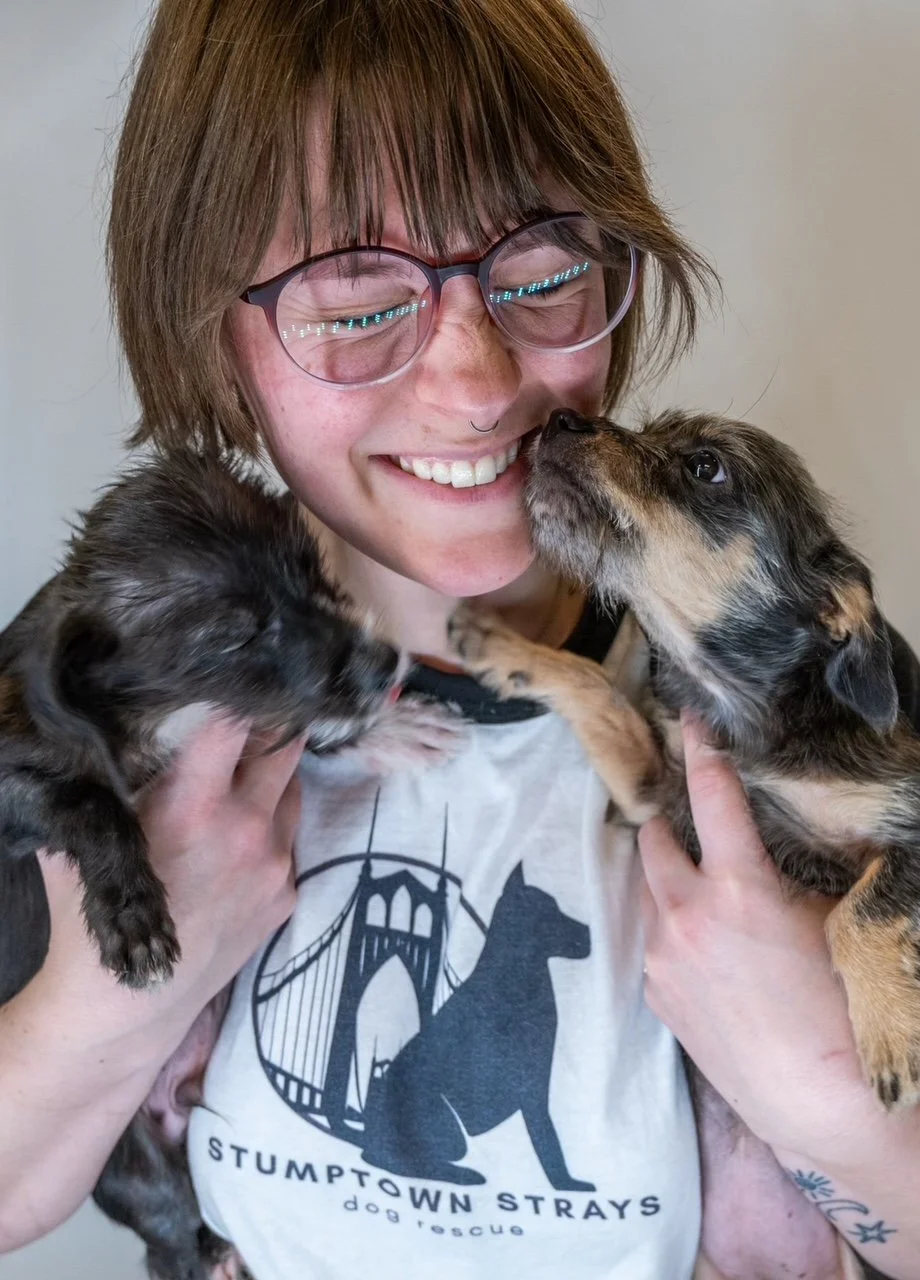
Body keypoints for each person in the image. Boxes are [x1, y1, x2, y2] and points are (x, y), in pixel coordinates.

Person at [2, 1, 920, 1276]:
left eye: (542, 274)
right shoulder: (119, 675)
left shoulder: (794, 717)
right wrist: (106, 1009)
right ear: (215, 341)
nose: (477, 384)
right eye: (353, 301)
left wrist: (833, 1108)